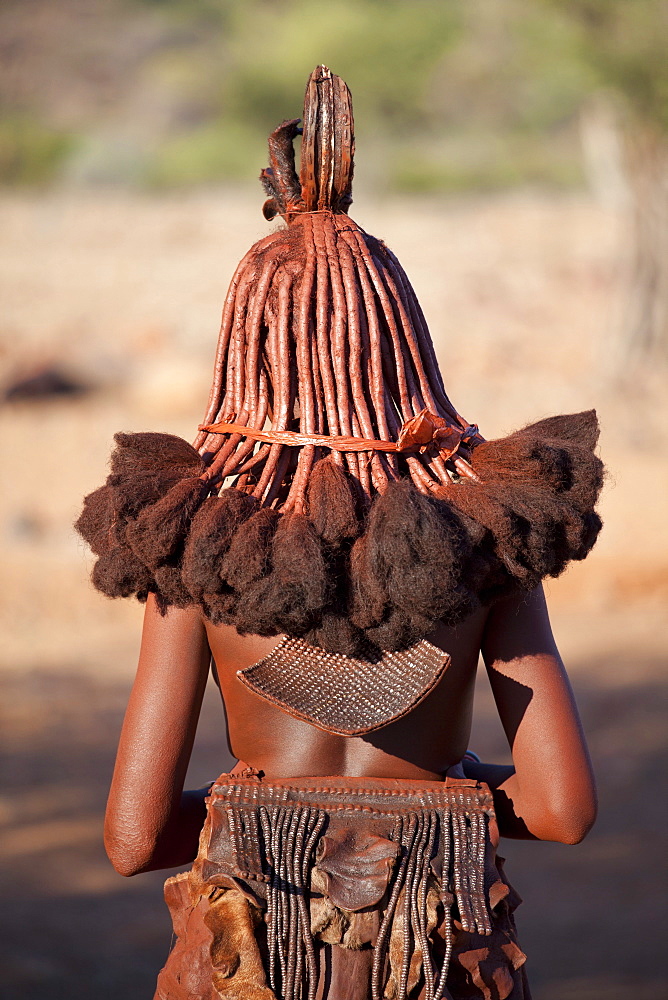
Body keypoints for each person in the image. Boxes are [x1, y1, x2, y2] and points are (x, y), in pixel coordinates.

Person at [77, 67, 602, 1000]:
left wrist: (265, 806)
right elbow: (560, 811)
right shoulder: (485, 540)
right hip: (436, 959)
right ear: (401, 341)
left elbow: (133, 837)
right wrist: (447, 786)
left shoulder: (196, 547)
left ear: (250, 346)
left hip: (250, 962)